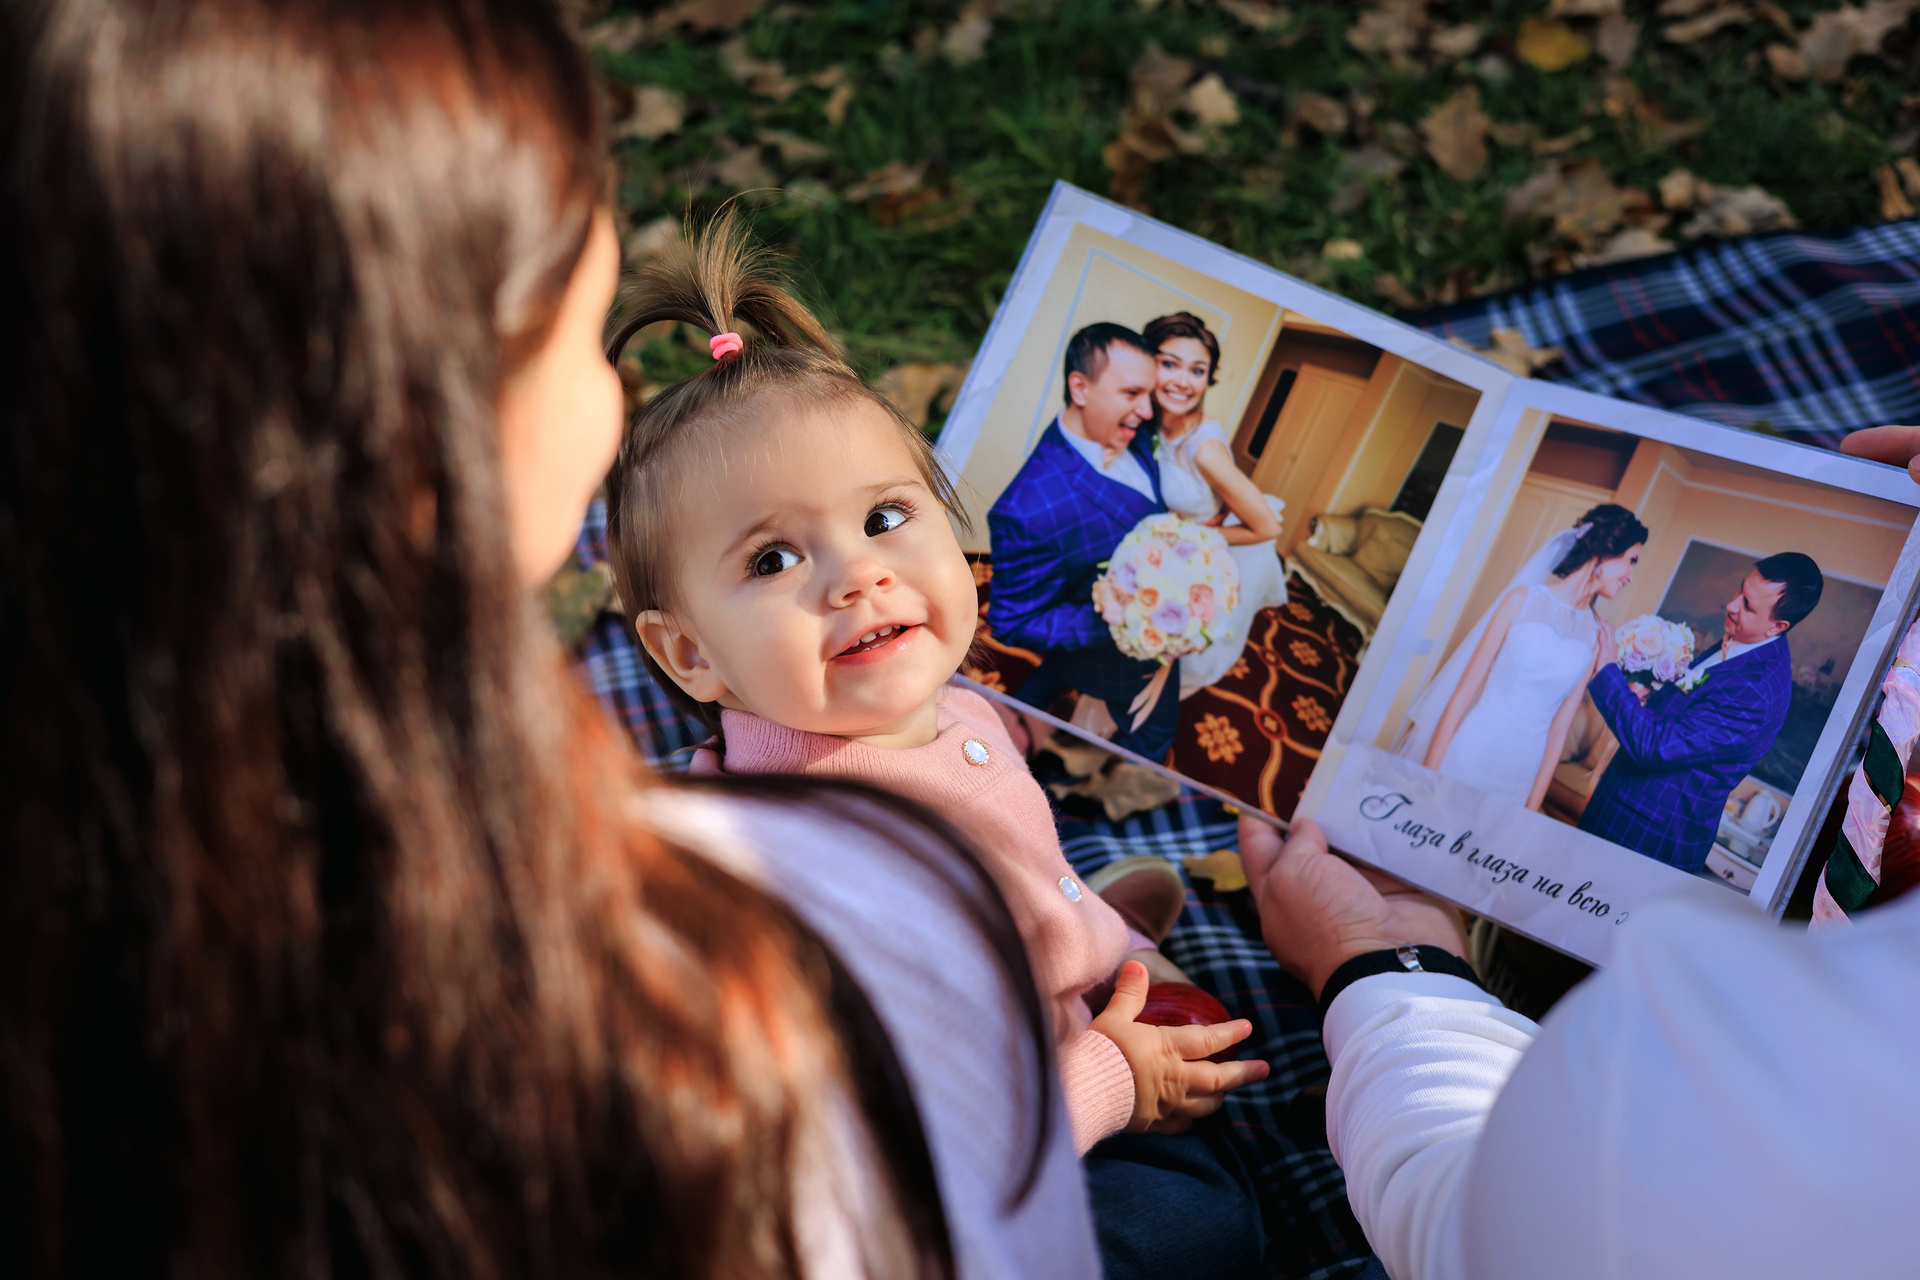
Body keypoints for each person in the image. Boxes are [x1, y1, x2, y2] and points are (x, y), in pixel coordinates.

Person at [0, 3, 1101, 1277]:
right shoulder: (759, 928)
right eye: (582, 342)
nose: (618, 397)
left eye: (884, 518)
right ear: (425, 445)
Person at [604, 219, 1272, 1280]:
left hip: (1040, 1040)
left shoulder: (956, 709)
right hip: (954, 1159)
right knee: (1199, 1230)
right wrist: (1108, 1074)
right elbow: (921, 1142)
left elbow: (1004, 806)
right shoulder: (816, 862)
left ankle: (1079, 932)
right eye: (773, 559)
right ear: (690, 653)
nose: (858, 576)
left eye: (885, 517)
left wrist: (1105, 953)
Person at [986, 325, 1184, 761]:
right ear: (1080, 388)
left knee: (1055, 670)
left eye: (1149, 394)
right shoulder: (1028, 510)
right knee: (1152, 737)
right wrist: (1132, 619)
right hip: (1115, 648)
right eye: (1132, 393)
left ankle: (1029, 701)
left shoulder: (1134, 432)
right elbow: (1013, 621)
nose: (1147, 410)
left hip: (1103, 610)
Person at [1579, 552, 1822, 874]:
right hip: (1620, 803)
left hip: (1648, 835)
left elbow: (1655, 746)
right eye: (1740, 590)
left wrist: (1607, 669)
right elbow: (1690, 722)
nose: (1732, 605)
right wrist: (1648, 699)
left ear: (1777, 626)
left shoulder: (1756, 691)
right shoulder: (1741, 641)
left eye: (1748, 605)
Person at [1395, 505, 1647, 811]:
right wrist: (1428, 776)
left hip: (1520, 773)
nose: (1631, 576)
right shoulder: (1521, 601)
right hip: (1471, 752)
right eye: (1631, 561)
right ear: (1606, 550)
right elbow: (1462, 696)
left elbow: (1559, 732)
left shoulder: (1596, 634)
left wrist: (1531, 811)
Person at [1141, 312, 1290, 696]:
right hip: (1169, 543)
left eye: (1197, 371)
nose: (1182, 381)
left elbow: (1267, 527)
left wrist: (1187, 534)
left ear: (1208, 379)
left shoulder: (1204, 449)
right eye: (1169, 364)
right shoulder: (1149, 420)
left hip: (1211, 552)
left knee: (1183, 652)